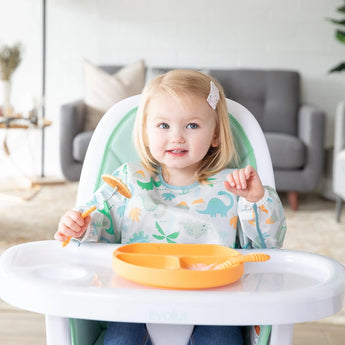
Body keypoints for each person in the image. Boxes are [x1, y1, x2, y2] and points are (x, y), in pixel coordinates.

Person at [55, 70, 287, 345]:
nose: (176, 137)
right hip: (134, 303)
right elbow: (96, 227)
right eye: (163, 125)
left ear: (215, 135)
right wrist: (80, 226)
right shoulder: (128, 181)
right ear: (146, 131)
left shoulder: (233, 186)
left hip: (215, 306)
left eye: (192, 126)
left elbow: (267, 246)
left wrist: (255, 200)